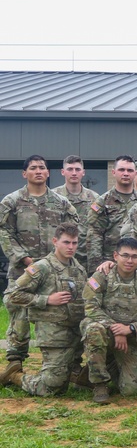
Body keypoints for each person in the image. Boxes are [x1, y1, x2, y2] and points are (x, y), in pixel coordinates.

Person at [0, 155, 79, 373]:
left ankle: (66, 361)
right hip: (23, 268)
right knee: (19, 310)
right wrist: (23, 257)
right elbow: (4, 232)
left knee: (60, 312)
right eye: (33, 168)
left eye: (42, 168)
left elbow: (73, 231)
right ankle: (15, 362)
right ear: (24, 173)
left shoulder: (61, 203)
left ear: (48, 173)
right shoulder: (11, 201)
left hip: (55, 271)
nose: (38, 171)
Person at [3, 223, 87, 396]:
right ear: (55, 241)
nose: (71, 247)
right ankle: (15, 377)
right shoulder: (42, 267)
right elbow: (12, 295)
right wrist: (46, 299)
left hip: (76, 334)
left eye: (74, 243)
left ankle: (72, 370)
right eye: (66, 242)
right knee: (50, 388)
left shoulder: (78, 268)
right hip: (54, 334)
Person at [81, 237, 137, 403]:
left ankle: (103, 367)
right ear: (115, 256)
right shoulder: (102, 277)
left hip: (131, 340)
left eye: (134, 256)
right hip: (104, 332)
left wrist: (131, 329)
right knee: (93, 329)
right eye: (125, 255)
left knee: (132, 390)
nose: (129, 260)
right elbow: (90, 307)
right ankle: (100, 384)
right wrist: (116, 329)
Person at [86, 155, 137, 274]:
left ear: (135, 174)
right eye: (122, 170)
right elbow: (94, 235)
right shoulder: (102, 202)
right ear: (113, 172)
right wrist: (96, 268)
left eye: (130, 170)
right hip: (109, 265)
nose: (126, 173)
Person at [53, 155, 99, 273]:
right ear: (63, 172)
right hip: (59, 258)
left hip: (87, 258)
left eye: (77, 169)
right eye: (70, 169)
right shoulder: (53, 197)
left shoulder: (95, 198)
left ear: (83, 172)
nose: (74, 173)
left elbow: (98, 228)